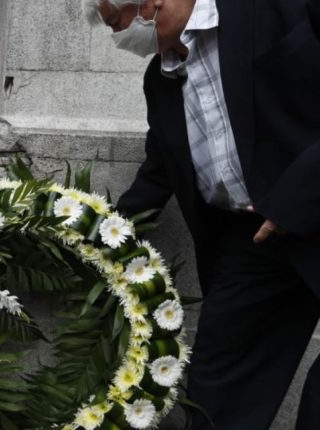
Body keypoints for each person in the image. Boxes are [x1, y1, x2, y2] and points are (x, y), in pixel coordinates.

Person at [82, 0, 320, 429]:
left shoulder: (272, 9)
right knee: (217, 393)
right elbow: (159, 169)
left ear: (151, 3)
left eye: (116, 23)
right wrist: (94, 237)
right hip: (253, 242)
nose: (117, 37)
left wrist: (295, 198)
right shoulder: (161, 80)